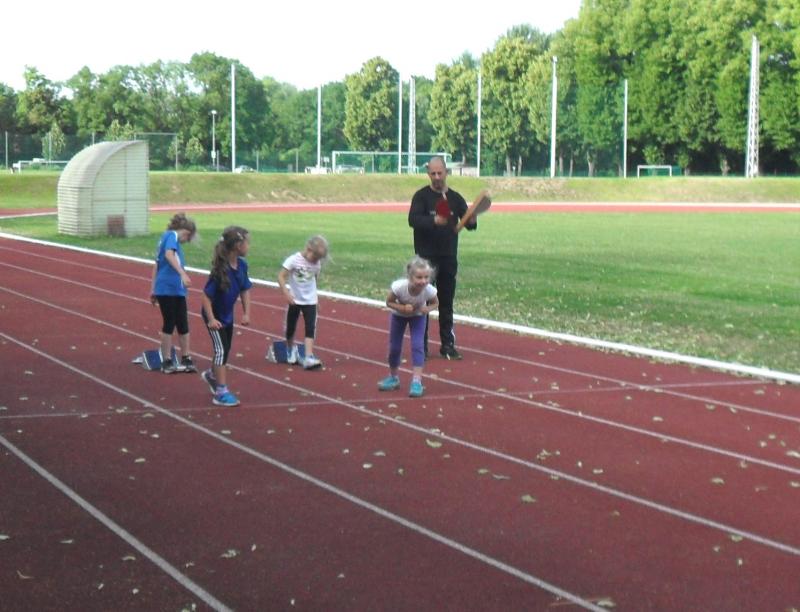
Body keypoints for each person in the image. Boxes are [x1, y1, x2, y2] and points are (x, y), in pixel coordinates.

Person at [408, 156, 477, 360]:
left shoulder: (455, 198)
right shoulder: (421, 196)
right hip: (425, 260)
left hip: (448, 256)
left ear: (446, 172)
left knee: (446, 302)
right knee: (423, 302)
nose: (437, 177)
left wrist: (472, 220)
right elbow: (413, 220)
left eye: (440, 173)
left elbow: (469, 223)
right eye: (433, 173)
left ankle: (448, 345)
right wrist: (433, 220)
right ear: (428, 174)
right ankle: (421, 346)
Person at [200, 226, 253, 407]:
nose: (249, 246)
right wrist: (211, 319)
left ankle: (211, 374)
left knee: (226, 349)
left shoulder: (242, 266)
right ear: (238, 245)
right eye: (247, 243)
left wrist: (246, 313)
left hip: (227, 315)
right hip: (214, 316)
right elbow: (206, 296)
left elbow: (245, 290)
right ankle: (221, 392)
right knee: (221, 350)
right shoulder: (220, 270)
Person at [378, 256, 439, 398]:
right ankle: (393, 377)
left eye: (426, 277)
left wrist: (427, 309)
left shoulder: (429, 290)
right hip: (398, 317)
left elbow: (435, 303)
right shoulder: (399, 287)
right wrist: (402, 308)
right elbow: (389, 302)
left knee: (418, 346)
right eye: (419, 277)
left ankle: (417, 381)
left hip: (418, 317)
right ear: (410, 277)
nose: (423, 281)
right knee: (394, 348)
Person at [150, 213, 197, 374]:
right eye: (188, 238)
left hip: (175, 289)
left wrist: (153, 289)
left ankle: (186, 358)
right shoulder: (171, 236)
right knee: (170, 322)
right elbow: (168, 255)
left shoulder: (167, 239)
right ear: (186, 233)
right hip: (168, 288)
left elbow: (156, 265)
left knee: (183, 323)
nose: (186, 242)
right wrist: (182, 273)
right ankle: (167, 360)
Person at [278, 235, 328, 370]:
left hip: (310, 301)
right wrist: (286, 293)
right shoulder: (294, 260)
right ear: (308, 249)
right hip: (295, 300)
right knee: (290, 327)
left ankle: (309, 356)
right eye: (315, 257)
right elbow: (281, 276)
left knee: (310, 328)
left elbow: (314, 280)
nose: (316, 261)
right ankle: (290, 349)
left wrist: (316, 299)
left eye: (319, 259)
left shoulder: (316, 264)